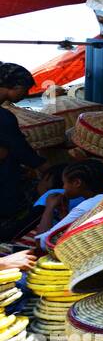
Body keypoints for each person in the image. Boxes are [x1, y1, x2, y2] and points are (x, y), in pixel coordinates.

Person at [0, 63, 45, 240]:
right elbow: (21, 149)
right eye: (25, 90)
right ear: (15, 86)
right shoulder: (4, 117)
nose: (26, 95)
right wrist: (42, 165)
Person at [34, 160, 103, 250]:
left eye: (64, 183)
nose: (63, 188)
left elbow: (42, 243)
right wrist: (64, 213)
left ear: (77, 183)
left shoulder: (85, 207)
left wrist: (49, 207)